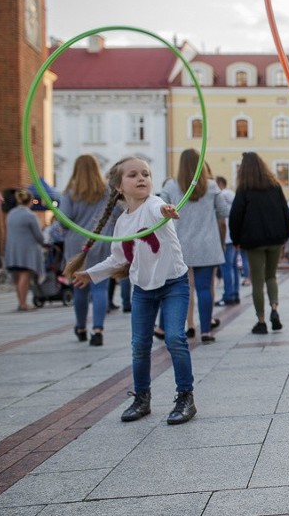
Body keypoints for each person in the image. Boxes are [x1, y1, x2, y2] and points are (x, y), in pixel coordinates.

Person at [72, 157, 196, 425]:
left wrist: (166, 210)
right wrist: (90, 274)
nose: (142, 178)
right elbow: (118, 260)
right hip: (142, 289)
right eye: (133, 175)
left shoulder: (153, 205)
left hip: (173, 283)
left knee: (175, 338)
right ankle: (142, 397)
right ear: (118, 187)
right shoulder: (122, 224)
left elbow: (159, 208)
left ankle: (185, 396)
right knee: (140, 346)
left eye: (146, 174)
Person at [161, 149, 228, 343]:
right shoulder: (212, 186)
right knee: (205, 288)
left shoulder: (171, 187)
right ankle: (206, 330)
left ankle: (186, 327)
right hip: (207, 244)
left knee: (184, 289)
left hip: (180, 245)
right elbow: (223, 212)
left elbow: (160, 213)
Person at [228, 152, 289, 334]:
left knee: (257, 280)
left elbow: (235, 217)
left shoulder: (244, 190)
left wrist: (236, 239)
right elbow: (285, 212)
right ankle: (274, 309)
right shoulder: (275, 186)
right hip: (275, 239)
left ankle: (261, 321)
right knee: (271, 276)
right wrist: (286, 234)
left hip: (253, 241)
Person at [60, 155, 115, 345]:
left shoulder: (70, 192)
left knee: (79, 288)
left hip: (76, 245)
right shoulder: (106, 191)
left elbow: (63, 219)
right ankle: (98, 329)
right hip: (100, 241)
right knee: (100, 287)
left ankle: (81, 327)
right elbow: (116, 214)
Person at [4, 189, 45, 311]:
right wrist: (43, 242)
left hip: (12, 249)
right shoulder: (30, 215)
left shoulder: (11, 214)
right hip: (26, 251)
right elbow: (38, 235)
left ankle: (20, 301)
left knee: (17, 277)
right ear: (30, 201)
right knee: (24, 276)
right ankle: (23, 304)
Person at [215, 176, 240, 307]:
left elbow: (222, 219)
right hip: (234, 236)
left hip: (227, 237)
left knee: (226, 268)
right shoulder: (232, 195)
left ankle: (228, 295)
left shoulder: (223, 194)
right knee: (234, 267)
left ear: (220, 184)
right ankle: (235, 294)